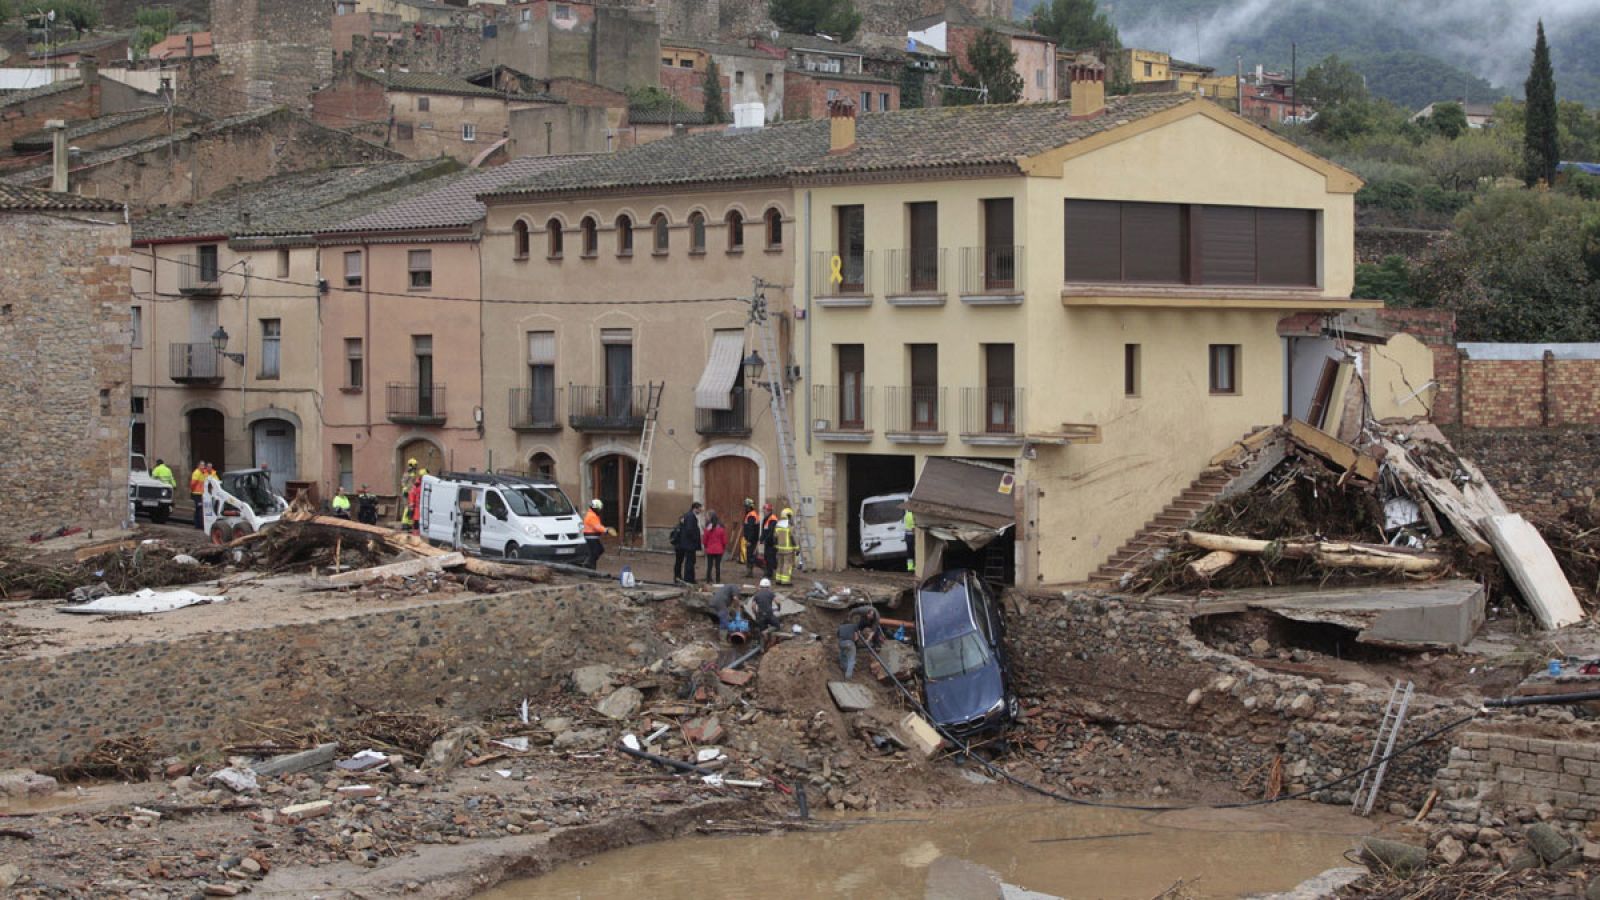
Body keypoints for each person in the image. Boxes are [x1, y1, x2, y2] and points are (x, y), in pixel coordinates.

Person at [672, 501, 703, 585]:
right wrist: (695, 538)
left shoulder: (689, 516)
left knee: (688, 561)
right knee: (689, 562)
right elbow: (690, 530)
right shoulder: (690, 516)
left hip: (686, 544)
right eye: (700, 509)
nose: (700, 511)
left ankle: (687, 578)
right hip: (689, 544)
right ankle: (688, 579)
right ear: (695, 508)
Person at [702, 511, 727, 583]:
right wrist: (723, 547)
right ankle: (718, 581)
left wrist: (706, 546)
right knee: (717, 566)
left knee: (709, 566)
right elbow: (724, 541)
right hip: (719, 550)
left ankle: (708, 580)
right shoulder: (721, 529)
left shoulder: (708, 529)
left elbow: (704, 540)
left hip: (710, 550)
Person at [774, 507, 797, 586]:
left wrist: (776, 546)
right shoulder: (789, 525)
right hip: (788, 549)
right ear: (788, 515)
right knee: (787, 565)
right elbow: (792, 537)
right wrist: (796, 548)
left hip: (780, 549)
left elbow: (775, 537)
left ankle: (778, 580)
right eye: (790, 516)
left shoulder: (778, 524)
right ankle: (785, 581)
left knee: (780, 564)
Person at [583, 499, 606, 570]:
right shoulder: (592, 516)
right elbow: (597, 527)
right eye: (599, 509)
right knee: (597, 551)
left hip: (592, 537)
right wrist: (606, 530)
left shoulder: (592, 514)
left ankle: (591, 568)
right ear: (595, 508)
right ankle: (588, 562)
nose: (600, 510)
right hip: (591, 537)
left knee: (596, 552)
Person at [740, 499, 761, 576]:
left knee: (750, 556)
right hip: (752, 539)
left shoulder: (751, 516)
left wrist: (749, 540)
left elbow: (751, 529)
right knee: (751, 555)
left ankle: (750, 572)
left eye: (746, 506)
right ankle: (750, 571)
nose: (745, 508)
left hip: (751, 540)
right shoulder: (752, 514)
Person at [761, 503, 778, 581]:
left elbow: (771, 532)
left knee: (771, 558)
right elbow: (764, 530)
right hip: (767, 543)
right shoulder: (766, 519)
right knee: (766, 558)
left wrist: (765, 539)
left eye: (764, 510)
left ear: (768, 510)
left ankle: (770, 573)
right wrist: (761, 538)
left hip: (771, 543)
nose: (763, 512)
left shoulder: (773, 519)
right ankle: (768, 572)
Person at [188, 461, 208, 529]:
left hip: (202, 494)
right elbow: (193, 484)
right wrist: (193, 491)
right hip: (197, 494)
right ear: (198, 466)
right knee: (199, 509)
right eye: (201, 465)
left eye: (203, 465)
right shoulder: (196, 473)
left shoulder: (203, 473)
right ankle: (198, 525)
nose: (203, 467)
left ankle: (199, 524)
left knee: (199, 509)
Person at [903, 506, 917, 573]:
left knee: (909, 553)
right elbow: (913, 529)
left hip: (907, 536)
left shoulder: (907, 515)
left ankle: (910, 567)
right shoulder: (911, 516)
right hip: (911, 536)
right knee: (915, 552)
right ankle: (915, 567)